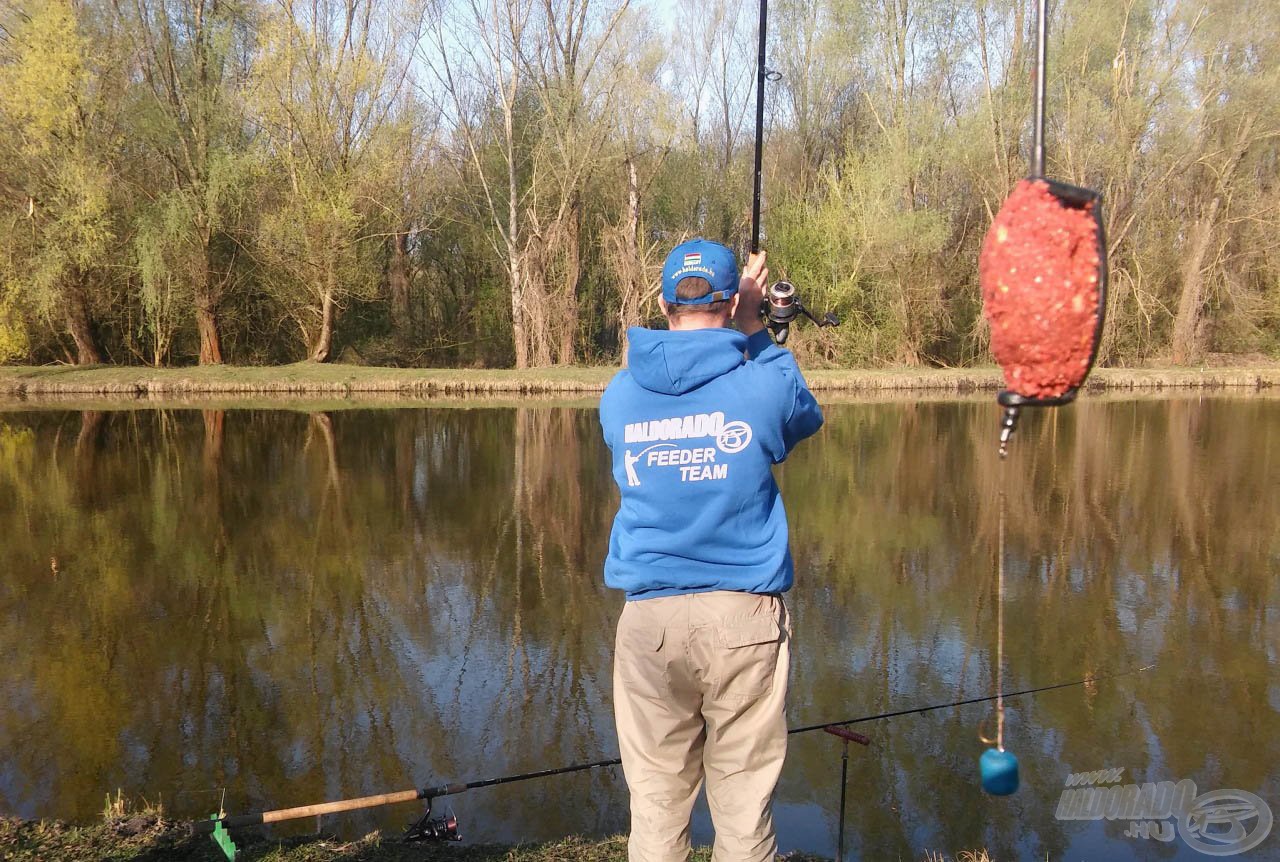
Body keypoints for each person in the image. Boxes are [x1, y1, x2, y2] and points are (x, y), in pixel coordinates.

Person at [598, 238, 824, 862]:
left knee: (656, 806)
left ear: (665, 303)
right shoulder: (759, 384)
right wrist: (755, 331)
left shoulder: (619, 396)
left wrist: (739, 328)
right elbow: (801, 417)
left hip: (649, 625)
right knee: (744, 806)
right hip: (742, 618)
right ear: (730, 304)